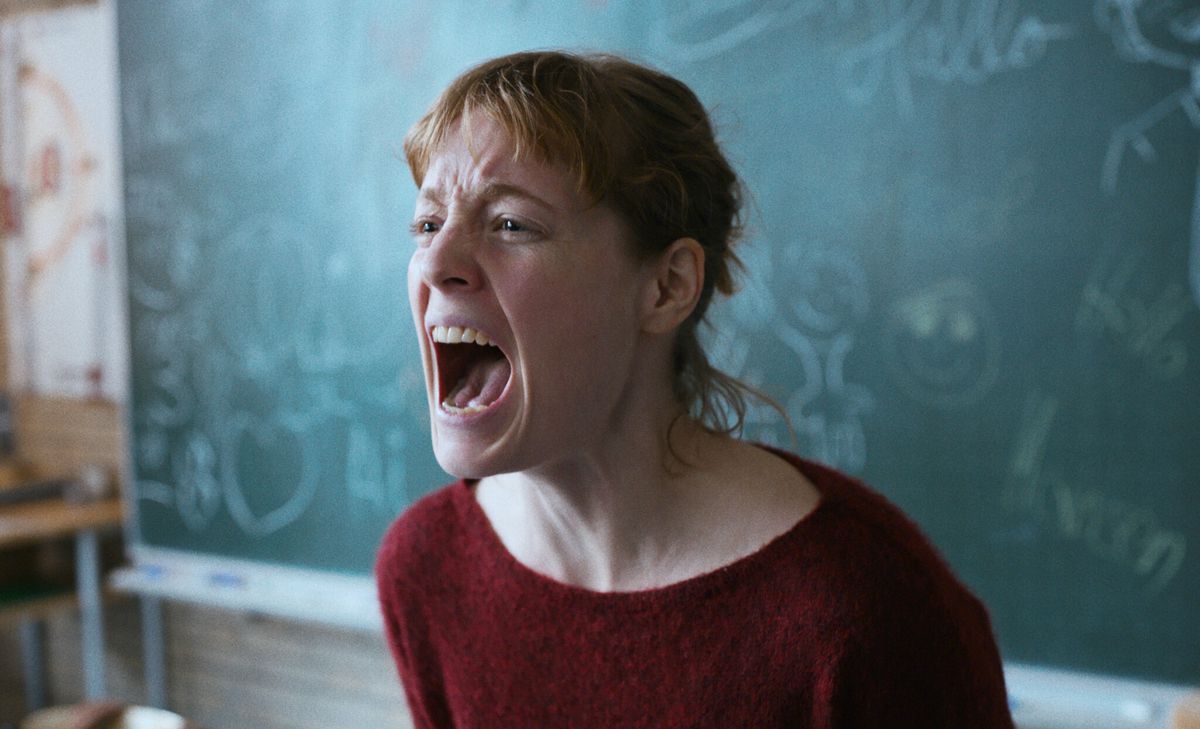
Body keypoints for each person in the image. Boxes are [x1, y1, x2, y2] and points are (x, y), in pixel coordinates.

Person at [376, 50, 1015, 728]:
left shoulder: (869, 611)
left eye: (511, 224)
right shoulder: (426, 568)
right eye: (427, 223)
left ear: (668, 286)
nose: (437, 263)